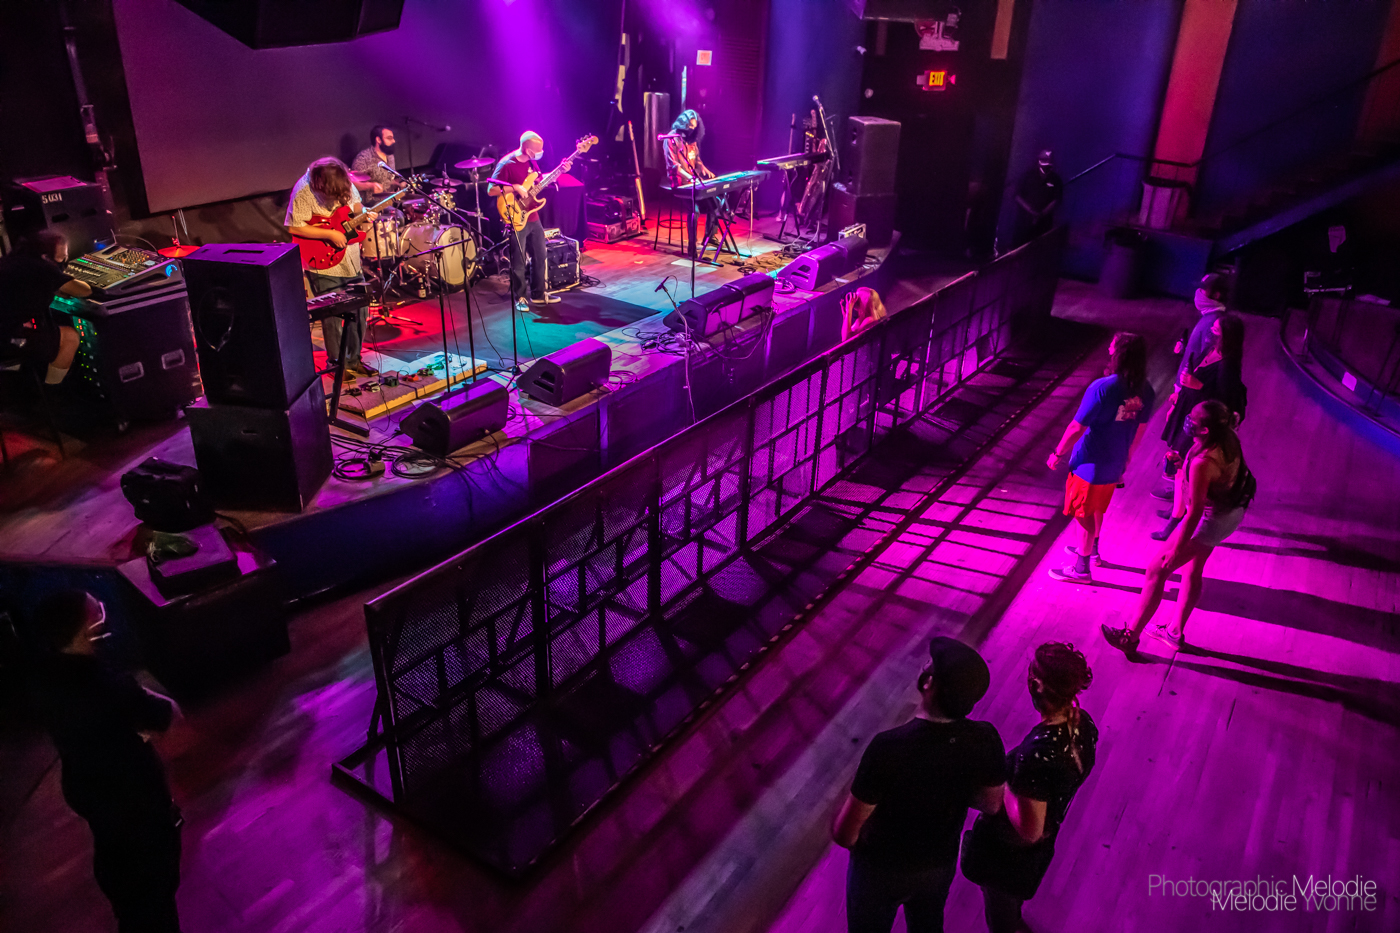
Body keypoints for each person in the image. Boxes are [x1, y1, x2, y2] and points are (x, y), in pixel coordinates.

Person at [26, 589, 183, 932]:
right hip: (133, 795)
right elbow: (169, 715)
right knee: (156, 885)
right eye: (97, 612)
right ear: (88, 632)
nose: (103, 612)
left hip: (85, 786)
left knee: (115, 857)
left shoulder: (42, 677)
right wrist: (138, 698)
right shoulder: (110, 688)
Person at [831, 637, 1007, 933]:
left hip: (880, 871)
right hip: (938, 864)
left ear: (929, 683)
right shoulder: (985, 738)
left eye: (930, 665)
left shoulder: (888, 748)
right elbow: (990, 804)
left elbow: (844, 834)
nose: (926, 665)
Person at [960, 642, 1097, 933]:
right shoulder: (1083, 724)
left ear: (1035, 685)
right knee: (1012, 906)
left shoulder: (1035, 755)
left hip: (1008, 858)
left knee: (1001, 916)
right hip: (1045, 838)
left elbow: (1029, 831)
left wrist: (1002, 781)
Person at [1103, 400, 1253, 653]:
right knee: (1193, 569)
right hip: (1228, 514)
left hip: (1210, 520)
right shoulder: (1227, 438)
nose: (1188, 418)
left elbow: (1194, 512)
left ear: (1205, 429)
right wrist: (1184, 464)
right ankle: (1174, 632)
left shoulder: (1204, 462)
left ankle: (1130, 637)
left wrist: (1176, 549)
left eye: (1193, 418)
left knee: (1156, 570)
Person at [1046, 332, 1154, 581]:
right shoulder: (1145, 390)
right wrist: (1126, 459)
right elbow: (1139, 429)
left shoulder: (1103, 387)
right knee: (1096, 508)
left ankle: (1081, 568)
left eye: (1112, 347)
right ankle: (1092, 550)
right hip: (1115, 462)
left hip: (1090, 462)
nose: (1108, 349)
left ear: (1120, 354)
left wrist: (1058, 453)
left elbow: (1077, 427)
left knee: (1083, 513)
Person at [1152, 314, 1246, 540]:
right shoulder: (1212, 350)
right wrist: (1181, 394)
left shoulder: (1227, 366)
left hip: (1201, 421)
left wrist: (1197, 386)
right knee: (1179, 466)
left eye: (1216, 329)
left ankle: (1177, 517)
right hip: (1189, 410)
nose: (1211, 331)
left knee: (1182, 469)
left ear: (1226, 336)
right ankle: (1176, 509)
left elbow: (1220, 403)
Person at [286, 156, 377, 376]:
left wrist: (364, 214)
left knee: (359, 310)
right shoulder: (303, 191)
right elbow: (294, 227)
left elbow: (355, 207)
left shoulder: (344, 181)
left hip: (350, 259)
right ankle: (336, 365)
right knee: (333, 316)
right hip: (323, 262)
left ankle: (353, 360)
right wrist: (329, 234)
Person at [1154, 272, 1230, 498]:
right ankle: (1178, 488)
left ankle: (1181, 491)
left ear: (1216, 295)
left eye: (1204, 290)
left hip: (1192, 396)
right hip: (1188, 392)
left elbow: (1203, 364)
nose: (1198, 293)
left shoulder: (1214, 324)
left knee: (1184, 439)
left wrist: (1182, 390)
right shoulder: (1208, 319)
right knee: (1180, 438)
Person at [0, 230, 94, 386]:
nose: (63, 263)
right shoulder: (43, 267)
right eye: (61, 259)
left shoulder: (13, 260)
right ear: (46, 256)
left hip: (6, 332)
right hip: (7, 339)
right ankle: (52, 390)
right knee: (70, 337)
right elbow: (84, 290)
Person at [488, 131, 558, 315]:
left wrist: (558, 172)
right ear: (527, 149)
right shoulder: (507, 163)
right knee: (518, 261)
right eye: (538, 151)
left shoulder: (532, 162)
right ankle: (520, 298)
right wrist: (515, 187)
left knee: (540, 255)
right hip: (515, 217)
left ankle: (538, 294)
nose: (540, 153)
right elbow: (491, 189)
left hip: (533, 215)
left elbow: (538, 181)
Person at [663, 109, 722, 261]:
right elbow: (674, 165)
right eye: (689, 127)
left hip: (692, 180)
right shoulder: (670, 139)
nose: (691, 130)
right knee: (694, 210)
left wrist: (703, 168)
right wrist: (690, 177)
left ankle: (710, 236)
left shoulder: (691, 139)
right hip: (679, 182)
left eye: (694, 128)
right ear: (683, 125)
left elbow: (696, 159)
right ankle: (691, 249)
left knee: (716, 201)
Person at [1009, 149, 1061, 250]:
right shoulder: (1028, 176)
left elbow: (1057, 199)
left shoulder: (1055, 179)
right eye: (1044, 159)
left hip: (1044, 224)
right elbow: (1017, 196)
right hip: (1024, 222)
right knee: (1020, 249)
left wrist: (1042, 214)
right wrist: (1031, 211)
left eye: (1048, 160)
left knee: (1039, 249)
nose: (1046, 162)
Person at [350, 124, 405, 195]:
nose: (393, 141)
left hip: (390, 198)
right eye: (389, 138)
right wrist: (369, 186)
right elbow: (352, 184)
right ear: (378, 140)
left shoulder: (390, 156)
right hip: (372, 201)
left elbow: (387, 181)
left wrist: (398, 184)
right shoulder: (363, 158)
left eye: (393, 138)